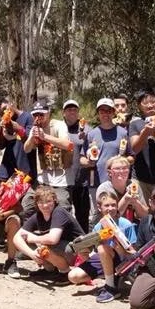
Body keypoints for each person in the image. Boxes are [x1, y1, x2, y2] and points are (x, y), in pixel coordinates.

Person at [67, 192, 138, 303]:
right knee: (73, 276)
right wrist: (82, 248)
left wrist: (119, 246)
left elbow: (133, 253)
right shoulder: (98, 227)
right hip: (103, 258)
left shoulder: (126, 224)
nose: (111, 208)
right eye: (107, 205)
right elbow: (90, 252)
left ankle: (110, 287)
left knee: (102, 248)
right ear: (99, 207)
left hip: (121, 258)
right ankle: (109, 276)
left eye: (113, 205)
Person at [13, 186, 85, 282]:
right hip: (62, 247)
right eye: (41, 202)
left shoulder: (59, 212)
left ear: (54, 200)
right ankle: (50, 270)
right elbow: (16, 237)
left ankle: (65, 272)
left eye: (48, 201)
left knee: (43, 246)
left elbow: (53, 239)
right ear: (36, 203)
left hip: (77, 250)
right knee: (27, 243)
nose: (45, 205)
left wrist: (33, 238)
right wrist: (32, 254)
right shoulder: (38, 216)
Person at [80, 98, 129, 227]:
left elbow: (131, 157)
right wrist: (89, 162)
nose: (105, 114)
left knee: (118, 215)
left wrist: (120, 162)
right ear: (98, 113)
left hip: (117, 184)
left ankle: (120, 240)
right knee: (97, 217)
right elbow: (81, 159)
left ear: (113, 113)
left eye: (109, 111)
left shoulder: (123, 133)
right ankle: (96, 240)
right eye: (102, 111)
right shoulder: (91, 134)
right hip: (96, 182)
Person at [23, 101, 75, 214]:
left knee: (62, 207)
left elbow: (67, 144)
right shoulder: (35, 128)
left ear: (48, 113)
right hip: (43, 181)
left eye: (41, 114)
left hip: (61, 181)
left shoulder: (59, 125)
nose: (38, 117)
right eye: (35, 115)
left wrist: (45, 136)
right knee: (27, 204)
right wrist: (32, 137)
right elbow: (26, 149)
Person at [128, 88, 155, 203]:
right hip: (141, 180)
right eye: (145, 103)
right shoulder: (135, 123)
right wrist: (145, 133)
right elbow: (135, 149)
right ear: (139, 106)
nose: (150, 105)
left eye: (153, 102)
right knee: (142, 212)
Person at [62, 99, 92, 231]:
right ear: (63, 113)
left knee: (82, 215)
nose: (72, 112)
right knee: (64, 214)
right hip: (63, 180)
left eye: (75, 109)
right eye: (69, 109)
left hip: (81, 180)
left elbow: (93, 148)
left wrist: (87, 140)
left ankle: (83, 239)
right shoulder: (59, 128)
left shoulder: (86, 128)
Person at [0, 95, 36, 182]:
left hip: (24, 169)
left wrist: (19, 129)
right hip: (6, 171)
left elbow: (30, 143)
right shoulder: (5, 122)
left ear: (11, 103)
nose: (5, 112)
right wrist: (1, 130)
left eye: (5, 108)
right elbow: (1, 146)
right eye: (1, 113)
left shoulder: (28, 117)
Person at [95, 156, 147, 220]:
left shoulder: (134, 185)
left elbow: (145, 216)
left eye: (125, 168)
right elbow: (111, 216)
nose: (121, 171)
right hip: (108, 224)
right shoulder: (104, 188)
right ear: (109, 172)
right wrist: (126, 199)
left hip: (131, 223)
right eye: (117, 169)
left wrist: (135, 202)